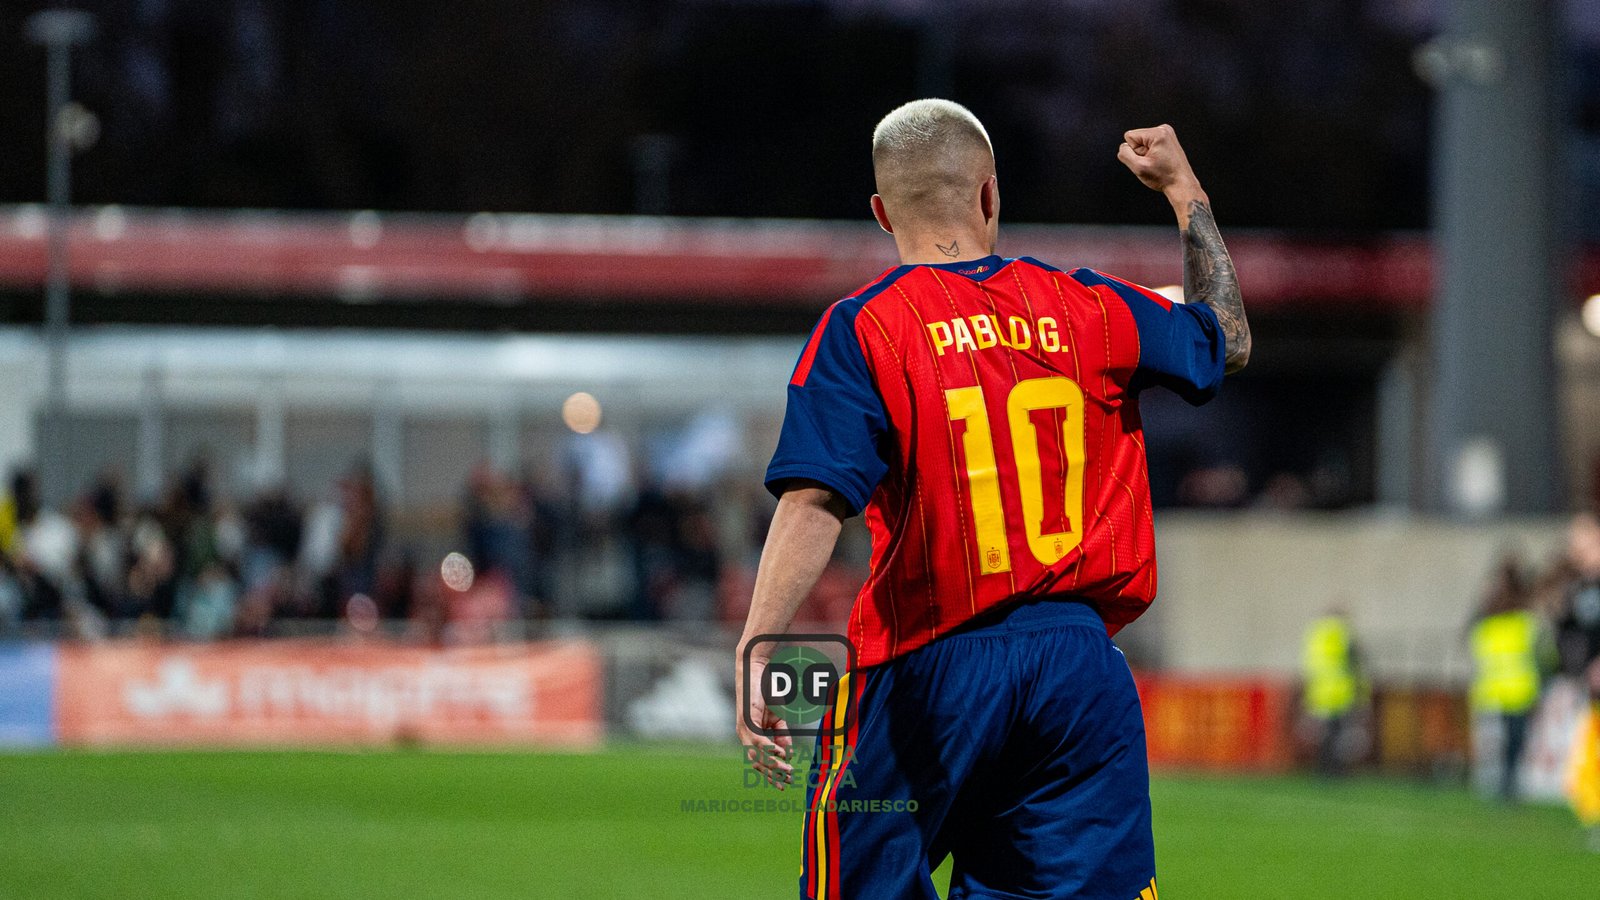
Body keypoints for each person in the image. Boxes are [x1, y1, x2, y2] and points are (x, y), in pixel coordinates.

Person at [734, 100, 1249, 900]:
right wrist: (1183, 190)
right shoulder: (1091, 307)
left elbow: (814, 503)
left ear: (880, 213)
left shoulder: (864, 328)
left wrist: (760, 644)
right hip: (1078, 674)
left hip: (928, 664)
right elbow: (1227, 336)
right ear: (989, 195)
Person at [1469, 555, 1553, 803]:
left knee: (1512, 741)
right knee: (1510, 741)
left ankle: (1508, 783)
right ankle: (1505, 783)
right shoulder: (1518, 621)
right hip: (1507, 691)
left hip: (1510, 691)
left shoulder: (1517, 622)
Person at [1301, 608, 1363, 776]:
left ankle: (1324, 767)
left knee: (1325, 734)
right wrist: (1359, 690)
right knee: (1339, 734)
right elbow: (1354, 663)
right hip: (1341, 692)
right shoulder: (1344, 633)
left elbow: (1311, 665)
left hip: (1320, 692)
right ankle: (1336, 768)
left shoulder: (1317, 633)